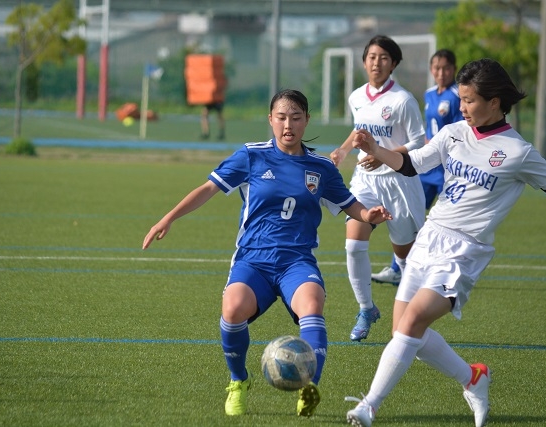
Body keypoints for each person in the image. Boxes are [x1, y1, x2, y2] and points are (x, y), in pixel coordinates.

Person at [344, 58, 546, 427]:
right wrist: (374, 148)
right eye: (461, 99)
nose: (462, 107)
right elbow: (411, 164)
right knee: (403, 331)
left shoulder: (518, 152)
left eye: (469, 100)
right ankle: (473, 378)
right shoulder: (453, 133)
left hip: (465, 250)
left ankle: (368, 406)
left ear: (495, 102)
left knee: (413, 321)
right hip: (429, 238)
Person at [143, 89, 392, 417]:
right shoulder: (251, 156)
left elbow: (349, 204)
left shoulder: (321, 168)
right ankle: (238, 381)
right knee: (232, 309)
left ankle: (309, 386)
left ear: (306, 121)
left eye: (296, 117)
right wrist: (169, 218)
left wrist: (368, 214)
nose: (288, 125)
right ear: (271, 120)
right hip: (253, 260)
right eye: (282, 117)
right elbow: (208, 189)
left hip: (296, 262)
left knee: (312, 304)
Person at [330, 35, 426, 341]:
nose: (377, 62)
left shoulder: (403, 100)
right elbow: (359, 130)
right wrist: (343, 151)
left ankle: (410, 312)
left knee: (405, 257)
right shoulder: (357, 96)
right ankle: (366, 308)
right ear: (364, 62)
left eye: (384, 57)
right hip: (365, 180)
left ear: (393, 63)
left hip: (399, 182)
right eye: (372, 57)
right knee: (353, 245)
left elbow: (418, 142)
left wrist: (383, 155)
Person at [372, 49, 464, 286]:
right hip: (427, 167)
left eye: (446, 68)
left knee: (448, 222)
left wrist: (441, 144)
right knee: (407, 217)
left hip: (447, 169)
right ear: (431, 70)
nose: (441, 73)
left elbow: (460, 131)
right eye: (437, 68)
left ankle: (448, 271)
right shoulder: (429, 94)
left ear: (453, 69)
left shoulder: (458, 95)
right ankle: (397, 269)